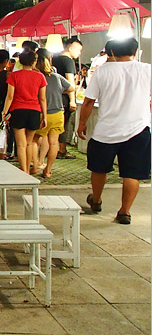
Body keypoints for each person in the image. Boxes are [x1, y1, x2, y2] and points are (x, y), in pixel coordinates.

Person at [78, 38, 150, 225]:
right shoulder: (146, 70)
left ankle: (97, 199)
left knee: (99, 168)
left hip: (106, 131)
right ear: (135, 51)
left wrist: (82, 123)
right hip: (138, 129)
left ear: (111, 52)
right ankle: (125, 211)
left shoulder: (102, 71)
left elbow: (88, 101)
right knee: (131, 174)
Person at [2, 49, 47, 174]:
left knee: (20, 144)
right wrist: (45, 116)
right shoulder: (40, 76)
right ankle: (28, 169)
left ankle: (24, 171)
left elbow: (9, 96)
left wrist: (5, 111)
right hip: (34, 111)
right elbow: (42, 98)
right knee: (29, 142)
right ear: (34, 61)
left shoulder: (14, 76)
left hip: (18, 110)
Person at [31, 48, 74, 178]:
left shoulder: (36, 77)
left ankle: (35, 165)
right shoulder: (56, 77)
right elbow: (71, 87)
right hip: (58, 113)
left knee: (34, 140)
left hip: (41, 113)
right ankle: (48, 170)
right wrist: (59, 91)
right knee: (54, 142)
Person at [52, 37, 82, 160]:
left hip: (54, 96)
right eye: (78, 50)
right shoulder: (68, 61)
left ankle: (53, 148)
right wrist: (72, 100)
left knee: (56, 124)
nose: (79, 53)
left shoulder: (55, 59)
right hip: (65, 97)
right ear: (70, 47)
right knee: (66, 124)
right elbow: (70, 82)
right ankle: (62, 150)